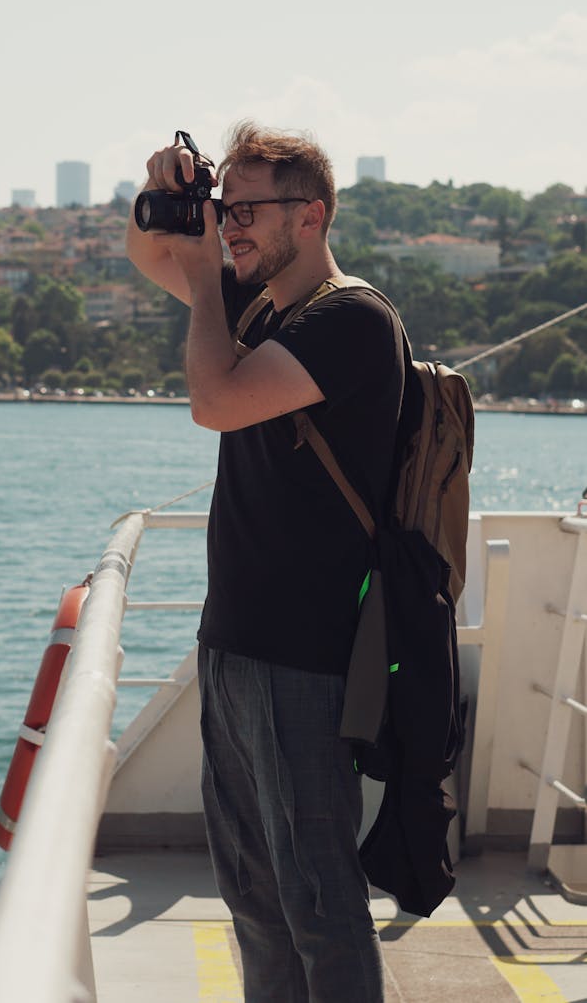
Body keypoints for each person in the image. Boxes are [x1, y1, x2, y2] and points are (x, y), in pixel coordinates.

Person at [126, 121, 405, 1003]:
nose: (231, 224)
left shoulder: (352, 318)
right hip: (235, 644)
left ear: (311, 214)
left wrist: (210, 273)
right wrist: (165, 195)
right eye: (224, 205)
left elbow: (217, 399)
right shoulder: (258, 304)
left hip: (306, 658)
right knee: (254, 902)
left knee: (320, 902)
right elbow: (147, 255)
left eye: (248, 209)